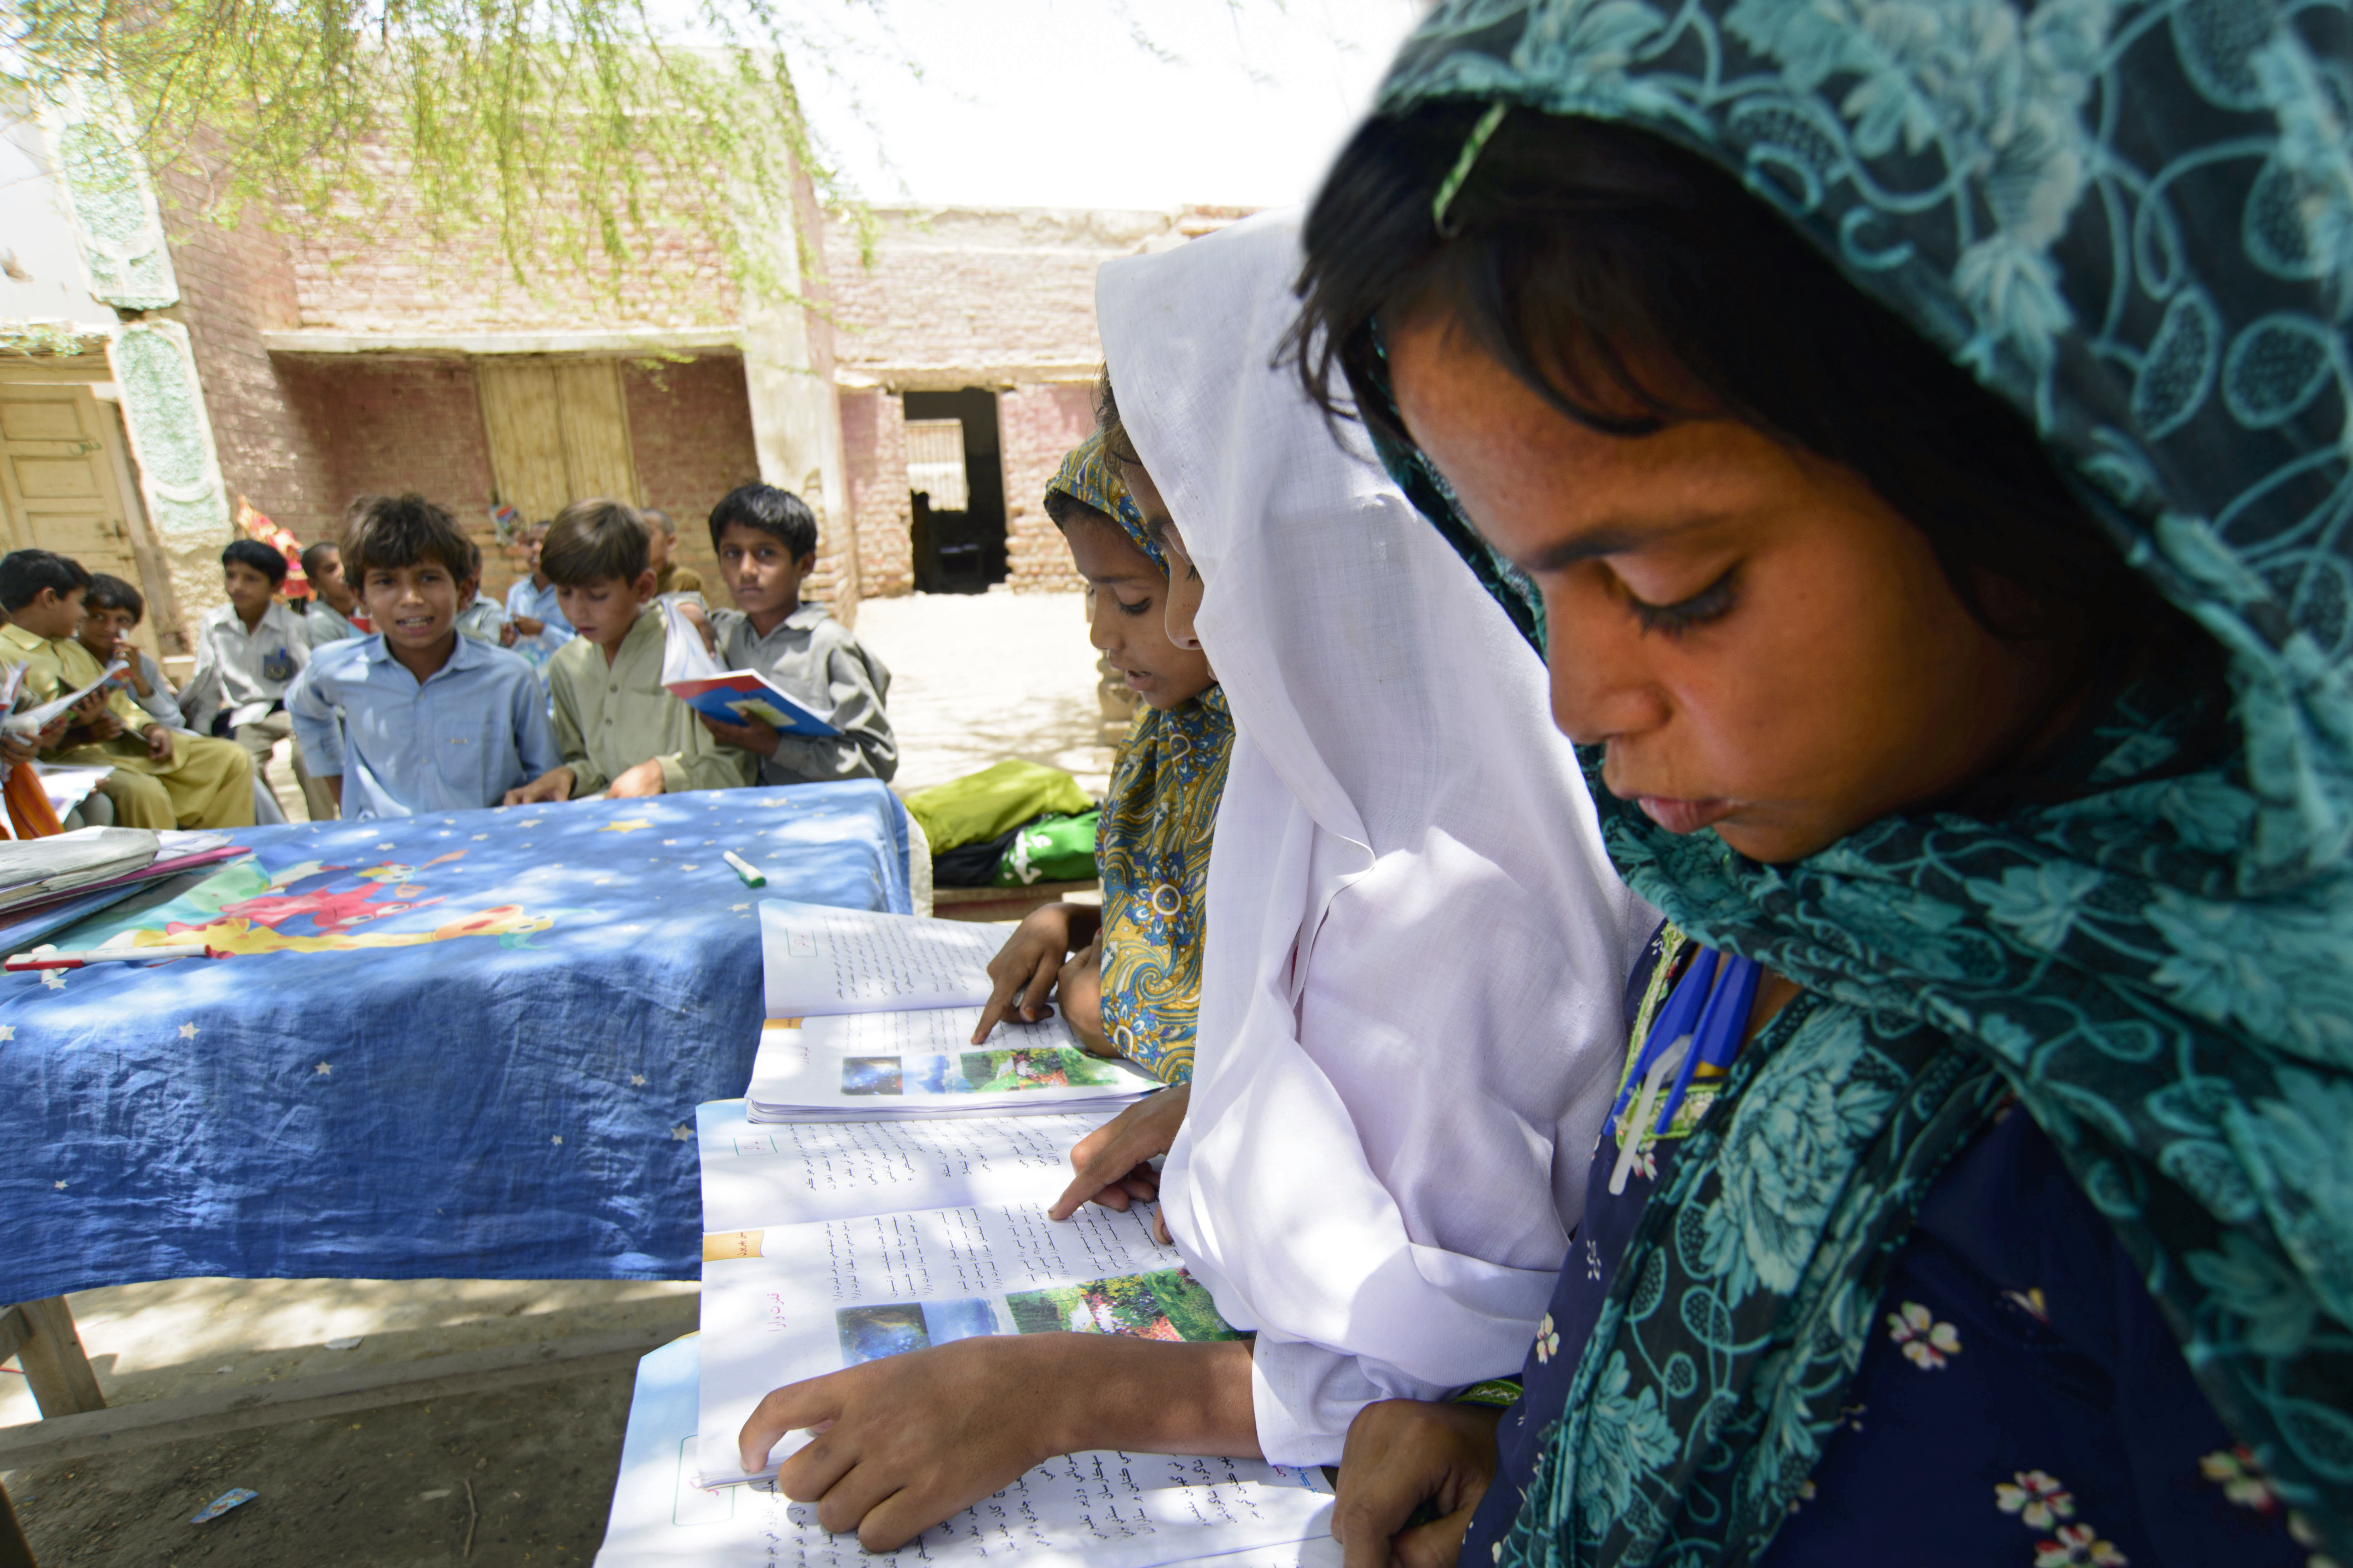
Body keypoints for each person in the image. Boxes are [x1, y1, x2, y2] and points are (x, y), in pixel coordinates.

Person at [1288, 5, 2353, 1564]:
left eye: (1675, 584)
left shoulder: (2245, 1163)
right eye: (1533, 586)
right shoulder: (1770, 892)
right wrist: (1537, 1436)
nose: (1579, 702)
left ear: (2067, 455)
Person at [734, 214, 1654, 1550]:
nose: (1186, 614)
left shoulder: (1479, 898)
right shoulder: (1310, 790)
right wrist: (1221, 1111)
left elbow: (1447, 1381)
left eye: (1186, 536)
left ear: (1341, 534)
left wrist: (1047, 1391)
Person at [972, 434, 1226, 1085]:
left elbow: (1300, 1004)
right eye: (1094, 595)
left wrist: (1120, 1011)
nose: (1101, 635)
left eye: (1134, 601)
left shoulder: (1275, 756)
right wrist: (1073, 917)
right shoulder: (1169, 732)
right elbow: (1186, 911)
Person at [286, 494, 561, 820]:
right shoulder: (337, 669)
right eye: (386, 582)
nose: (411, 599)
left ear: (465, 592)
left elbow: (545, 777)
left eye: (428, 578)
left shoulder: (509, 677)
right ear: (361, 596)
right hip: (387, 853)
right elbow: (304, 709)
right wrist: (341, 788)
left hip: (485, 849)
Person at [502, 497, 750, 804]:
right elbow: (590, 763)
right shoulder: (566, 665)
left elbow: (737, 767)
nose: (577, 612)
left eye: (597, 595)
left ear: (644, 587)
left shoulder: (686, 646)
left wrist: (664, 774)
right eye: (564, 593)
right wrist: (570, 776)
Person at [0, 551, 253, 830]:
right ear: (50, 599)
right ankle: (163, 868)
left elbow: (119, 703)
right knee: (145, 792)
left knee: (231, 757)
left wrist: (150, 729)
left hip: (121, 745)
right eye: (81, 604)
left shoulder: (71, 649)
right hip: (70, 756)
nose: (83, 614)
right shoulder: (5, 653)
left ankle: (226, 847)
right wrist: (77, 727)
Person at [699, 484, 897, 786]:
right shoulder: (724, 633)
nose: (747, 570)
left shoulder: (829, 645)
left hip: (821, 815)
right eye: (732, 554)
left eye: (766, 553)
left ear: (805, 564)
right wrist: (687, 606)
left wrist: (776, 747)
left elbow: (878, 761)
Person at [180, 537, 336, 821]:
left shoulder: (293, 626)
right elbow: (207, 680)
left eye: (251, 579)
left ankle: (324, 826)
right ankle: (276, 828)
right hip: (246, 715)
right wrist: (201, 734)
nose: (237, 586)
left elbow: (310, 679)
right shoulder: (214, 625)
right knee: (243, 764)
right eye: (231, 575)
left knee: (308, 757)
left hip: (293, 710)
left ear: (276, 587)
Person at [79, 575, 183, 730]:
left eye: (122, 620)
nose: (110, 628)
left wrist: (138, 678)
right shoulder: (65, 654)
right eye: (98, 617)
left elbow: (174, 722)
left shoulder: (140, 663)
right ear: (81, 615)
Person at [501, 519, 574, 671]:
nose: (536, 549)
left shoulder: (573, 591)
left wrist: (542, 630)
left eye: (543, 543)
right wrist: (508, 638)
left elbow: (585, 646)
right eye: (530, 543)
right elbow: (510, 643)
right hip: (530, 682)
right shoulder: (518, 593)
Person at [298, 540, 363, 646]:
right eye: (331, 569)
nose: (343, 573)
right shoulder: (320, 623)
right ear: (314, 583)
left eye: (347, 565)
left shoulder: (367, 609)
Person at [454, 543, 510, 645]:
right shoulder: (441, 610)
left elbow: (487, 651)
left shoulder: (490, 611)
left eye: (459, 570)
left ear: (477, 573)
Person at [642, 508, 704, 597]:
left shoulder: (686, 580)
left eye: (647, 534)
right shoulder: (630, 584)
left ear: (670, 542)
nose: (639, 541)